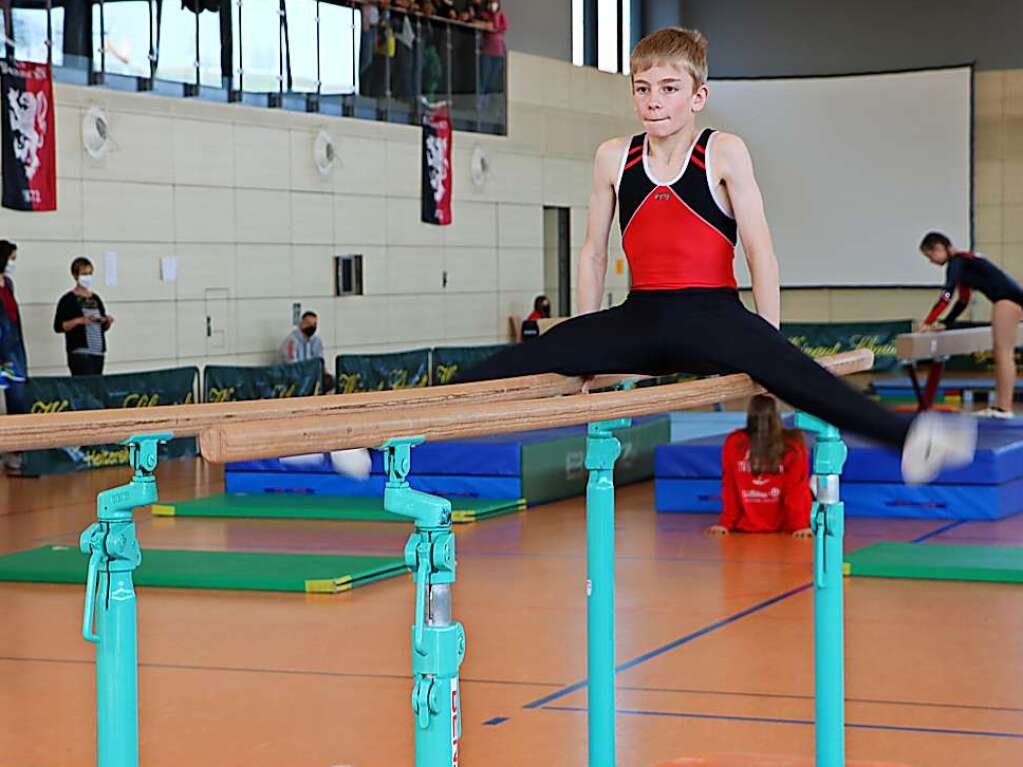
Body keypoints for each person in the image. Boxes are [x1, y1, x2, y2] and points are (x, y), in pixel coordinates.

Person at [454, 27, 975, 485]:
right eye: (642, 88)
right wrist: (590, 345)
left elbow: (759, 250)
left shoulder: (723, 151)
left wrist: (767, 343)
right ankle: (374, 435)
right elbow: (593, 254)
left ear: (698, 95)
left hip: (713, 315)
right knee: (531, 355)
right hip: (639, 316)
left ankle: (910, 436)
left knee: (797, 370)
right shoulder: (613, 156)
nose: (653, 101)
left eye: (669, 89)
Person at [919, 232, 1023, 418]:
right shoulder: (966, 262)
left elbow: (947, 295)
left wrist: (927, 322)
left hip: (1007, 301)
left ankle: (1003, 408)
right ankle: (1002, 407)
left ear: (939, 248)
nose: (931, 262)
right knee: (1004, 353)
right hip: (1013, 298)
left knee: (1003, 353)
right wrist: (946, 323)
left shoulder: (957, 262)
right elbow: (963, 300)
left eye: (930, 256)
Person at [706, 395, 812, 538]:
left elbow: (796, 489)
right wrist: (725, 523)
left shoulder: (792, 445)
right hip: (763, 527)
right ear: (777, 415)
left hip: (784, 527)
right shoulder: (736, 442)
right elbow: (796, 489)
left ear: (750, 413)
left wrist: (800, 526)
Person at [54, 257, 114, 376]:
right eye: (84, 274)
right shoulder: (68, 300)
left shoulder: (95, 298)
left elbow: (102, 327)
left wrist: (107, 321)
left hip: (98, 351)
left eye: (90, 274)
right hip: (80, 352)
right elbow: (59, 326)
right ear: (75, 276)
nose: (88, 277)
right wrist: (79, 321)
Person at [280, 311, 334, 392]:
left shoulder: (317, 341)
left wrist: (326, 374)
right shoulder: (291, 341)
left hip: (312, 378)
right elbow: (291, 366)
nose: (311, 326)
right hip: (295, 379)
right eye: (308, 323)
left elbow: (319, 362)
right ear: (301, 323)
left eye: (314, 324)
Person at [0, 240, 27, 390]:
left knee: (19, 384)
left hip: (14, 336)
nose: (13, 263)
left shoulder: (8, 283)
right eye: (12, 259)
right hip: (2, 337)